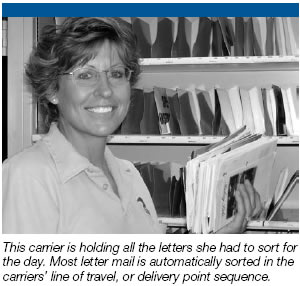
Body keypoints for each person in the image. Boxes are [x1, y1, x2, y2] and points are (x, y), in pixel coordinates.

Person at [2, 17, 262, 234]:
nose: (105, 91)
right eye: (86, 75)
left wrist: (221, 240)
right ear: (52, 90)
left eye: (116, 74)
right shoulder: (29, 176)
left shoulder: (126, 173)